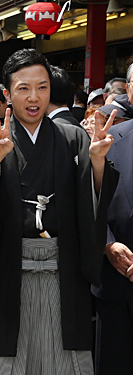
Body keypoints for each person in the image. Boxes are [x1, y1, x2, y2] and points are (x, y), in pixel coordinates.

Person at [0, 48, 118, 374]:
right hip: (10, 267)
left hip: (63, 266)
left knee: (65, 357)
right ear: (7, 94)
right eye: (24, 88)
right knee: (12, 358)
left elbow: (94, 200)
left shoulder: (72, 137)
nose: (34, 97)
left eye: (42, 87)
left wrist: (97, 160)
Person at [92, 64, 133, 374]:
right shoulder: (110, 137)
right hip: (115, 279)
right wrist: (107, 243)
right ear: (129, 90)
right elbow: (89, 198)